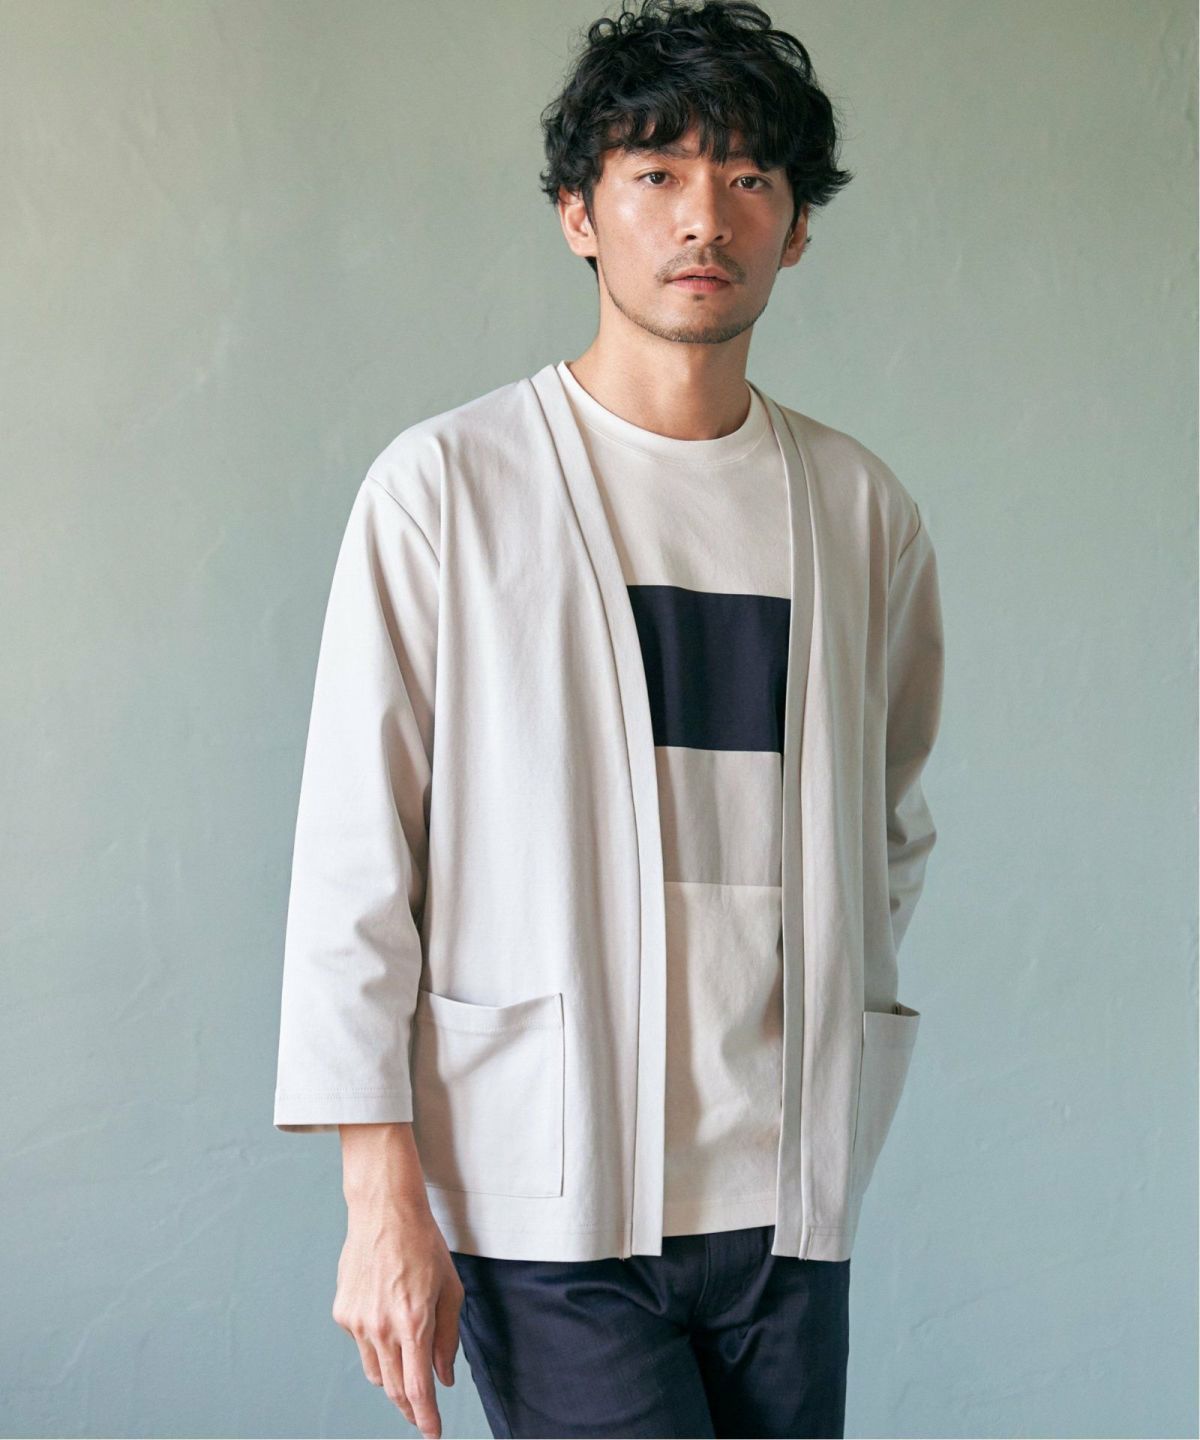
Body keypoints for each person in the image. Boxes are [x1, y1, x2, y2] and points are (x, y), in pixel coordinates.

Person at [272, 2, 945, 1437]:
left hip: (788, 1202)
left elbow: (887, 820)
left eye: (750, 177)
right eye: (657, 173)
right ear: (579, 213)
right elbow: (355, 862)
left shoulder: (858, 510)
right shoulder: (447, 489)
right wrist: (380, 1197)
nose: (706, 216)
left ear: (796, 229)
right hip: (547, 1197)